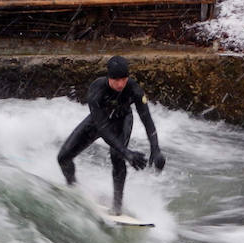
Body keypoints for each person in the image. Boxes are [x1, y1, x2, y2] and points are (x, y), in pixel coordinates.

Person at [57, 55, 165, 215]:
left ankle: (117, 207)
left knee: (117, 157)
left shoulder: (134, 89)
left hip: (123, 120)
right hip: (99, 122)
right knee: (63, 157)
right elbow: (102, 129)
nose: (121, 84)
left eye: (124, 79)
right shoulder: (97, 90)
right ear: (109, 77)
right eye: (116, 80)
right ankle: (73, 190)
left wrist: (155, 148)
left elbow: (147, 119)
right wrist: (127, 152)